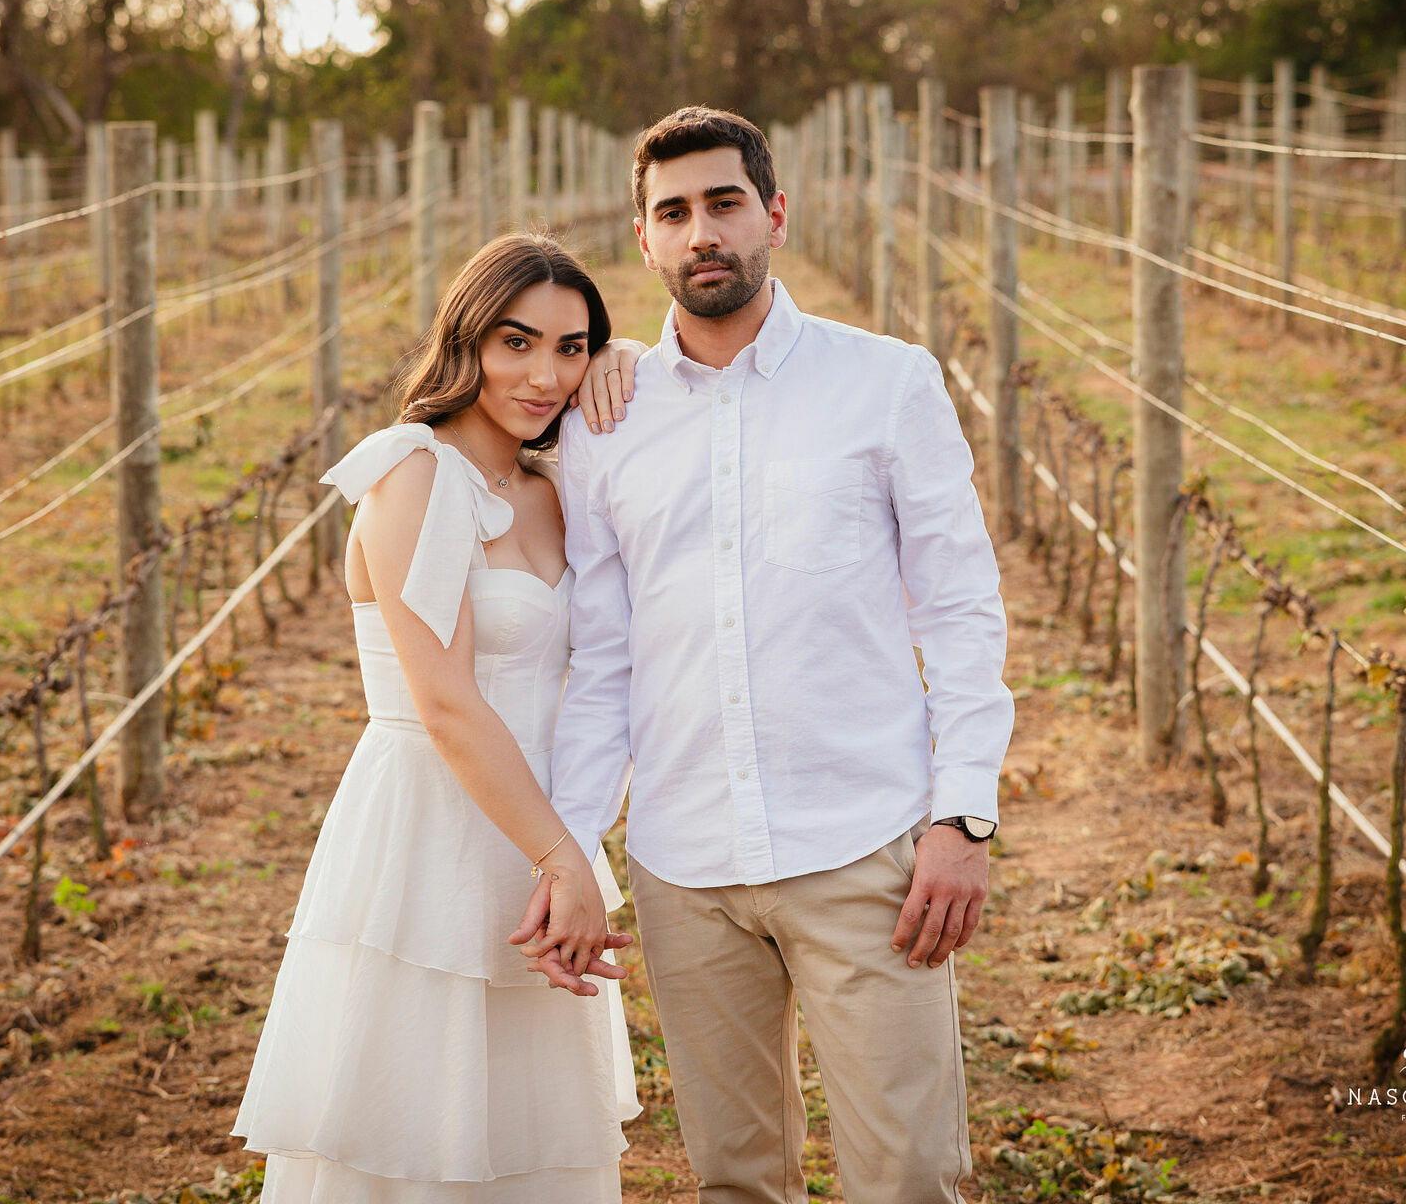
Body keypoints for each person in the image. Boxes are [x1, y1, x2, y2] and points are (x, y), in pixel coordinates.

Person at [525, 106, 1018, 1202]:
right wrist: (571, 851)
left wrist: (964, 815)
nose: (702, 231)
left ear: (775, 216)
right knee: (737, 1178)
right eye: (674, 211)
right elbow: (605, 663)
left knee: (908, 1176)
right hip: (684, 865)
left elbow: (963, 612)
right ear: (643, 238)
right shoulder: (605, 417)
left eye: (725, 203)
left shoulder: (886, 382)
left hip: (866, 853)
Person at [230, 232, 646, 1202]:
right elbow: (448, 702)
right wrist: (565, 859)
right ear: (467, 340)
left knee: (526, 1136)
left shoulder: (553, 486)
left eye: (573, 346)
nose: (546, 373)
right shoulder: (410, 473)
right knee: (414, 1130)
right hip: (430, 833)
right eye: (517, 342)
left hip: (537, 821)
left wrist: (634, 363)